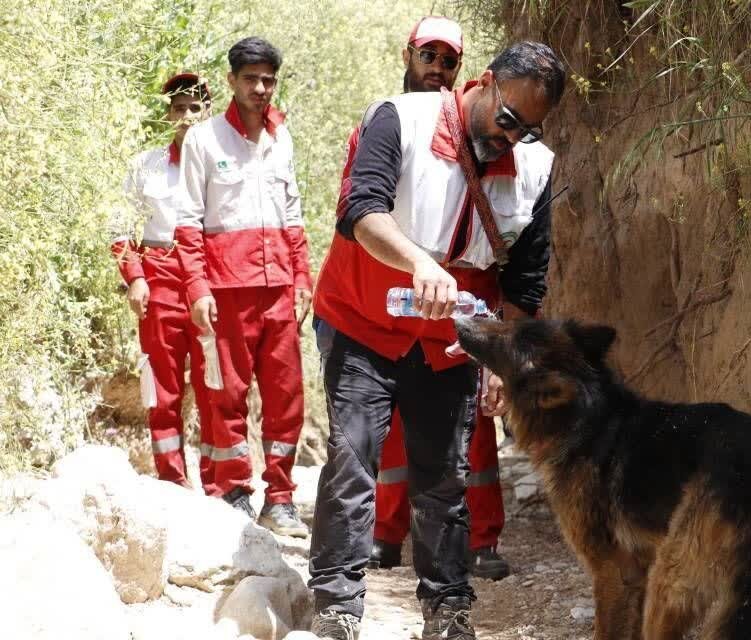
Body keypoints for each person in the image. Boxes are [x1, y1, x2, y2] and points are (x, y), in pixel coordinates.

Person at [308, 40, 566, 640]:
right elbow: (360, 210)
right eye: (507, 119)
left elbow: (525, 280)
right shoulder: (398, 119)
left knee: (443, 473)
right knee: (353, 461)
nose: (511, 137)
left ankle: (448, 609)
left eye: (528, 129)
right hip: (361, 323)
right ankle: (337, 610)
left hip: (450, 341)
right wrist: (418, 264)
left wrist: (500, 359)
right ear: (483, 82)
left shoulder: (534, 167)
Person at [353, 16, 510, 582]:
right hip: (400, 288)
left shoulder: (487, 132)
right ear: (408, 54)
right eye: (429, 55)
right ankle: (386, 535)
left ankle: (481, 541)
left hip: (466, 291)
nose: (437, 68)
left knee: (474, 424)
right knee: (395, 418)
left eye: (449, 60)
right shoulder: (387, 120)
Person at [175, 36, 312, 538]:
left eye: (268, 79)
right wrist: (197, 288)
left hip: (278, 289)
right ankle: (231, 493)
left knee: (285, 397)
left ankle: (280, 499)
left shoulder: (283, 138)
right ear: (232, 81)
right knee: (225, 395)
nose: (261, 87)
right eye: (251, 78)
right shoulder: (204, 140)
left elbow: (293, 217)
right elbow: (187, 223)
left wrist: (302, 276)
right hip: (226, 289)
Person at [109, 73, 213, 488]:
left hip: (207, 281)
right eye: (178, 108)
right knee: (162, 385)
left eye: (195, 108)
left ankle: (219, 483)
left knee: (214, 385)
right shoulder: (145, 165)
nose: (186, 116)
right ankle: (172, 480)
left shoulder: (221, 164)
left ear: (209, 113)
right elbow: (118, 227)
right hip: (158, 278)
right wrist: (135, 277)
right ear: (167, 115)